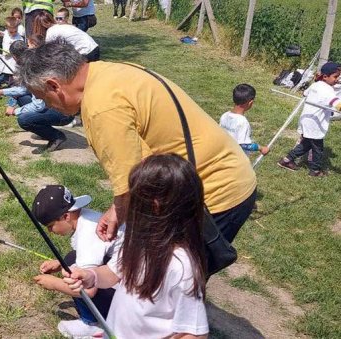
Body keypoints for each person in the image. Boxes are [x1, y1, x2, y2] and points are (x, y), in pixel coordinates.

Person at [19, 40, 256, 248]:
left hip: (214, 193)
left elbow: (132, 181)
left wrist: (119, 211)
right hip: (228, 172)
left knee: (171, 285)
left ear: (53, 85)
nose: (48, 107)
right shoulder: (107, 71)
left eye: (43, 98)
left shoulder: (101, 107)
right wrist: (117, 210)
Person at [63, 154, 209, 338]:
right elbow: (112, 273)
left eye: (132, 196)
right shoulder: (140, 241)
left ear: (154, 206)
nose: (126, 202)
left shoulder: (181, 266)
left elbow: (194, 334)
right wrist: (90, 276)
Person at [31, 185, 123, 337]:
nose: (50, 232)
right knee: (69, 259)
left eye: (50, 226)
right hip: (124, 277)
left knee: (71, 271)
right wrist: (59, 262)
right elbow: (91, 253)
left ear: (66, 216)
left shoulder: (88, 234)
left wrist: (54, 284)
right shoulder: (87, 217)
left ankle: (95, 324)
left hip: (126, 300)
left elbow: (89, 291)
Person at [0, 41, 73, 151]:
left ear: (14, 57)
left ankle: (56, 137)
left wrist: (15, 111)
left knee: (24, 120)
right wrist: (1, 91)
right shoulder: (33, 63)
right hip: (57, 106)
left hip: (64, 112)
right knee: (22, 98)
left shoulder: (33, 70)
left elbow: (38, 105)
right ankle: (43, 130)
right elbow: (23, 89)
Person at [278, 62, 341, 177]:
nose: (337, 80)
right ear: (325, 76)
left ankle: (286, 160)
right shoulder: (328, 90)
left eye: (338, 77)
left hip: (306, 119)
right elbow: (337, 105)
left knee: (305, 145)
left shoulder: (315, 85)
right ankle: (315, 170)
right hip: (315, 124)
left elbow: (304, 94)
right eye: (335, 77)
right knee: (318, 149)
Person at [219, 84, 269, 156]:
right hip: (236, 160)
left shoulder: (225, 115)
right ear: (250, 103)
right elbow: (244, 145)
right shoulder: (243, 122)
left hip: (222, 154)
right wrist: (261, 148)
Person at [33, 11, 100, 61]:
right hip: (94, 47)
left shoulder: (51, 32)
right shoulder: (62, 25)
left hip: (86, 52)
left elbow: (48, 53)